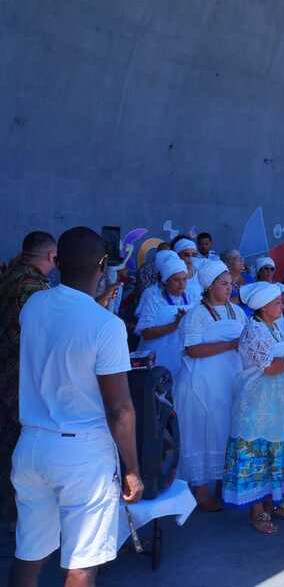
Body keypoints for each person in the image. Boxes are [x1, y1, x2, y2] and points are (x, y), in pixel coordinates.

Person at [9, 227, 143, 587]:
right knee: (81, 565)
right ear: (102, 265)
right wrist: (132, 468)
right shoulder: (108, 326)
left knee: (29, 554)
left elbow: (65, 323)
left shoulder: (35, 305)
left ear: (57, 263)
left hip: (32, 445)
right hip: (82, 453)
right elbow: (121, 410)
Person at [223, 282, 284, 534]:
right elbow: (271, 367)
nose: (282, 305)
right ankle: (257, 511)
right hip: (258, 405)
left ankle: (272, 503)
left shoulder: (276, 325)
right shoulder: (254, 330)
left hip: (280, 405)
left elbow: (282, 358)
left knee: (277, 448)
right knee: (260, 450)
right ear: (263, 308)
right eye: (276, 302)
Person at [177, 259, 245, 511]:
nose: (229, 288)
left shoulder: (237, 311)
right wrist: (230, 345)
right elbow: (192, 349)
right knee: (202, 433)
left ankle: (221, 483)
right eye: (224, 284)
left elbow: (246, 339)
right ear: (209, 286)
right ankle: (201, 489)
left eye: (231, 284)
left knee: (224, 430)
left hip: (229, 380)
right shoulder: (197, 314)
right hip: (201, 383)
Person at [0, 232, 55, 528]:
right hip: (16, 375)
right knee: (15, 449)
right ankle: (15, 518)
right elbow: (42, 332)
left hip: (8, 370)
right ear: (50, 257)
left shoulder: (11, 274)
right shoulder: (31, 285)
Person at [135, 253, 191, 377]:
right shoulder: (154, 300)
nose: (181, 284)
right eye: (176, 280)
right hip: (157, 356)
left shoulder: (192, 298)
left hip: (179, 357)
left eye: (184, 279)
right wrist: (175, 324)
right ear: (165, 281)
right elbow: (145, 333)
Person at [173, 238, 204, 302]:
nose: (191, 258)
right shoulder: (171, 276)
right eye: (186, 255)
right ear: (177, 256)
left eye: (194, 255)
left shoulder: (201, 273)